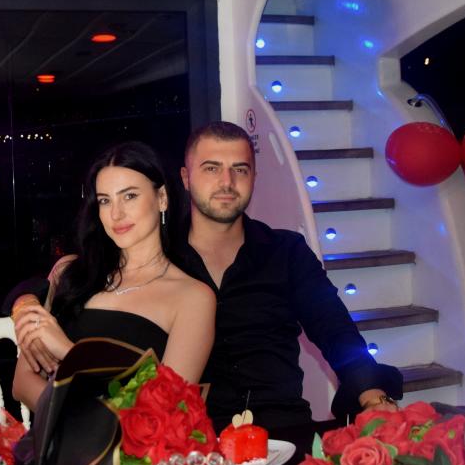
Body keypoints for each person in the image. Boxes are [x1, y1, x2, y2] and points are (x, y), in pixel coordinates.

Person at [171, 121, 403, 429]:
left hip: (282, 431)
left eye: (240, 169)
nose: (227, 182)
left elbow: (334, 329)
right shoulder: (161, 259)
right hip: (191, 437)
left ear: (254, 177)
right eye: (212, 168)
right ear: (186, 178)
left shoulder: (287, 251)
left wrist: (373, 397)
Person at [10, 141, 215, 413]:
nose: (116, 214)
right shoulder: (70, 273)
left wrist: (68, 352)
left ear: (162, 198)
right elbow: (22, 382)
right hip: (56, 437)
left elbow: (165, 411)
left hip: (126, 442)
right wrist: (76, 427)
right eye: (105, 200)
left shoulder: (193, 297)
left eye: (129, 196)